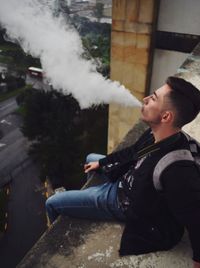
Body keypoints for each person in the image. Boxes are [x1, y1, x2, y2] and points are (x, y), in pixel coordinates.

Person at [46, 76, 200, 268]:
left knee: (52, 203)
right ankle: (90, 192)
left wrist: (197, 259)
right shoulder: (159, 135)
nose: (145, 99)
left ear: (166, 116)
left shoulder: (176, 170)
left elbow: (196, 217)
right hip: (131, 179)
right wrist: (102, 163)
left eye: (153, 98)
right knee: (91, 159)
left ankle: (59, 242)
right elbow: (133, 153)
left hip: (123, 200)